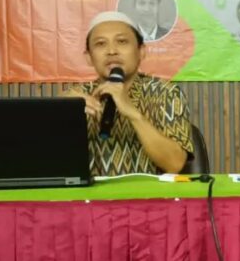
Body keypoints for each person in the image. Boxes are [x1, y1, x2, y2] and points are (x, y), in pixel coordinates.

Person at [63, 11, 193, 176]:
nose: (112, 51)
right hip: (89, 192)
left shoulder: (165, 93)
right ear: (89, 57)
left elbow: (175, 164)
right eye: (101, 44)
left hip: (147, 192)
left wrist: (132, 113)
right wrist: (60, 115)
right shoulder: (77, 97)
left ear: (141, 51)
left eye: (122, 41)